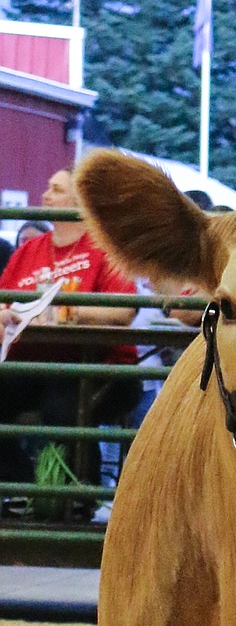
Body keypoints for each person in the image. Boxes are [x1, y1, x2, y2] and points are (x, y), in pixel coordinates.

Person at [0, 170, 137, 488]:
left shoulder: (103, 247)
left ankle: (74, 498)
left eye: (56, 190)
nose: (45, 196)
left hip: (95, 364)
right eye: (48, 188)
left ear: (80, 201)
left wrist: (67, 311)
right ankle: (18, 487)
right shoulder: (29, 250)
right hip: (32, 364)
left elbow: (123, 311)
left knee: (63, 404)